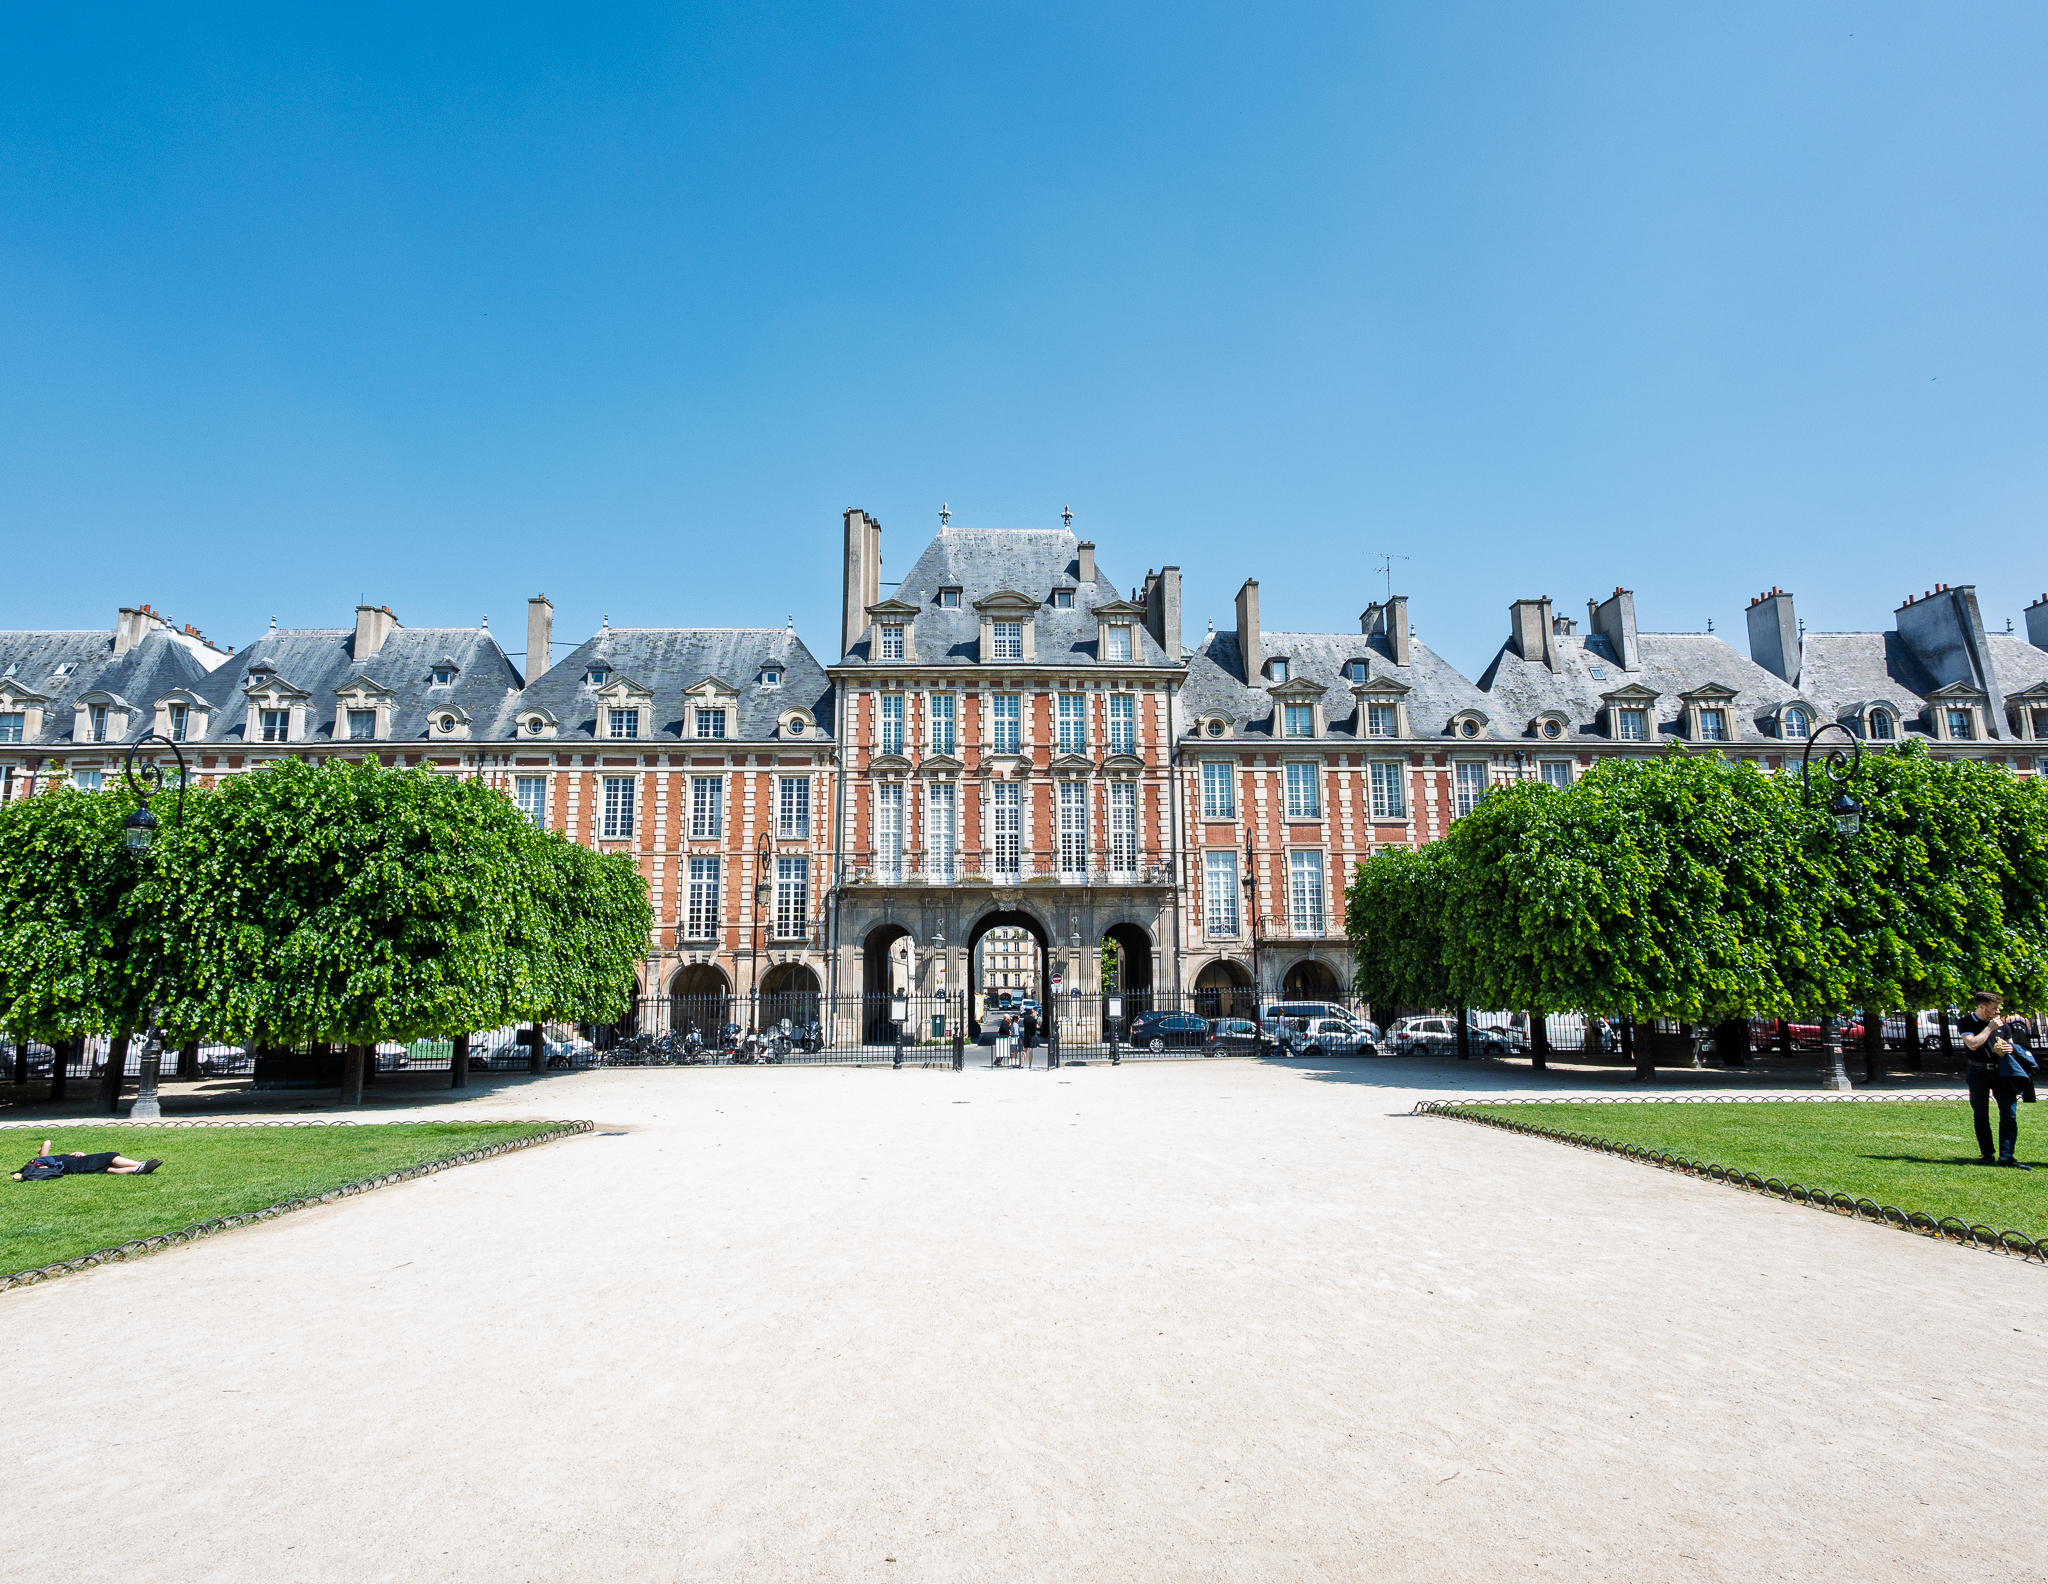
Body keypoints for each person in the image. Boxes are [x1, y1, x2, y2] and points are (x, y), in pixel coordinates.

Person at [1956, 992, 2037, 1169]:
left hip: (2002, 1073)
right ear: (1982, 1007)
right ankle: (1986, 1155)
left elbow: (2009, 1043)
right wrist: (1989, 1028)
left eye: (1998, 1008)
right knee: (1981, 1115)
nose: (1997, 1011)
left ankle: (2007, 1157)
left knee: (2009, 1113)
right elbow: (1973, 1044)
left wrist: (2010, 1048)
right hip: (1978, 1071)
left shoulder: (2003, 1025)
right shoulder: (1966, 1022)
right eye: (1994, 1008)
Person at [12, 1140, 162, 1181]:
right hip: (77, 1165)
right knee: (109, 1157)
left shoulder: (51, 1161)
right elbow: (47, 1142)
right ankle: (140, 1164)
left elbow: (66, 1158)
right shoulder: (41, 1160)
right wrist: (40, 1151)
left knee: (107, 1169)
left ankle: (136, 1170)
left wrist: (76, 1153)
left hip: (76, 1165)